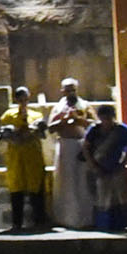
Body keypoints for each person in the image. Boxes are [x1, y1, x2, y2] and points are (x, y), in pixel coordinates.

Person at [0, 85, 49, 233]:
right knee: (16, 189)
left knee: (36, 188)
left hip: (33, 156)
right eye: (20, 99)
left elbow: (42, 134)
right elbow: (2, 135)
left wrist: (33, 131)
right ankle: (16, 223)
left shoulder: (36, 115)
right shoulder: (8, 115)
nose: (23, 102)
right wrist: (16, 135)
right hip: (16, 156)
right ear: (16, 99)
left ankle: (39, 222)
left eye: (25, 99)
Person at [46, 79, 95, 231]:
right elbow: (50, 128)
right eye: (68, 90)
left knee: (82, 182)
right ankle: (66, 219)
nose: (71, 93)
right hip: (65, 146)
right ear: (62, 91)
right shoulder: (58, 108)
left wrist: (79, 120)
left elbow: (95, 124)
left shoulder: (85, 105)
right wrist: (64, 120)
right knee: (66, 183)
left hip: (81, 146)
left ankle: (85, 219)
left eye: (73, 89)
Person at [84, 102, 127, 231]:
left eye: (108, 118)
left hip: (116, 167)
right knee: (102, 197)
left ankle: (120, 223)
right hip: (99, 167)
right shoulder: (94, 130)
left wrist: (123, 163)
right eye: (103, 118)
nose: (106, 122)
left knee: (120, 196)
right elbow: (86, 148)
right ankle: (103, 224)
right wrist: (93, 165)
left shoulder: (121, 130)